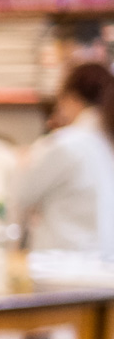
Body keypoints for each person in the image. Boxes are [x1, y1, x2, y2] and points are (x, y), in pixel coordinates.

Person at [12, 62, 114, 256]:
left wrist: (23, 160)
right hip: (102, 267)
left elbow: (20, 193)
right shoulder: (105, 143)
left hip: (66, 269)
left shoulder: (66, 144)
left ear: (72, 99)